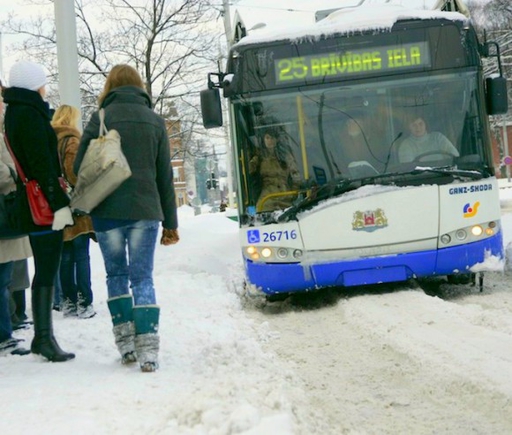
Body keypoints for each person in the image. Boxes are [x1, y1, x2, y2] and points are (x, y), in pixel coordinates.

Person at [74, 64, 179, 372]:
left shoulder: (101, 118)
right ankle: (149, 351)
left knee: (116, 276)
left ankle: (126, 346)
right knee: (142, 277)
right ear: (139, 86)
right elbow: (165, 177)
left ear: (110, 87)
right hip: (146, 211)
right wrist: (171, 222)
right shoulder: (155, 121)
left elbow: (80, 165)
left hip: (107, 211)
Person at [3, 60, 75, 362]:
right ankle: (44, 338)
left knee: (45, 269)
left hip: (34, 200)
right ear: (34, 84)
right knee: (47, 267)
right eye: (43, 82)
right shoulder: (29, 115)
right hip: (43, 204)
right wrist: (59, 204)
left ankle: (43, 338)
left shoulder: (17, 112)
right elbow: (41, 164)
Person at [51, 105, 96, 319]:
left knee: (64, 257)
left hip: (57, 207)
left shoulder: (47, 140)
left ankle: (67, 300)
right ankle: (84, 301)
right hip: (76, 208)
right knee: (81, 256)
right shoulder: (71, 141)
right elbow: (75, 173)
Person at [0, 86, 32, 357]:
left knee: (5, 276)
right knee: (2, 278)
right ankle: (3, 334)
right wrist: (14, 173)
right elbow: (2, 172)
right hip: (3, 210)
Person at [248, 125, 301, 212]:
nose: (270, 141)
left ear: (277, 140)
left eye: (272, 138)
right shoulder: (259, 155)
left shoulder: (285, 155)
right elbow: (249, 171)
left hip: (285, 195)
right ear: (263, 140)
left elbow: (295, 173)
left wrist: (294, 191)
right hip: (266, 197)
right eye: (267, 138)